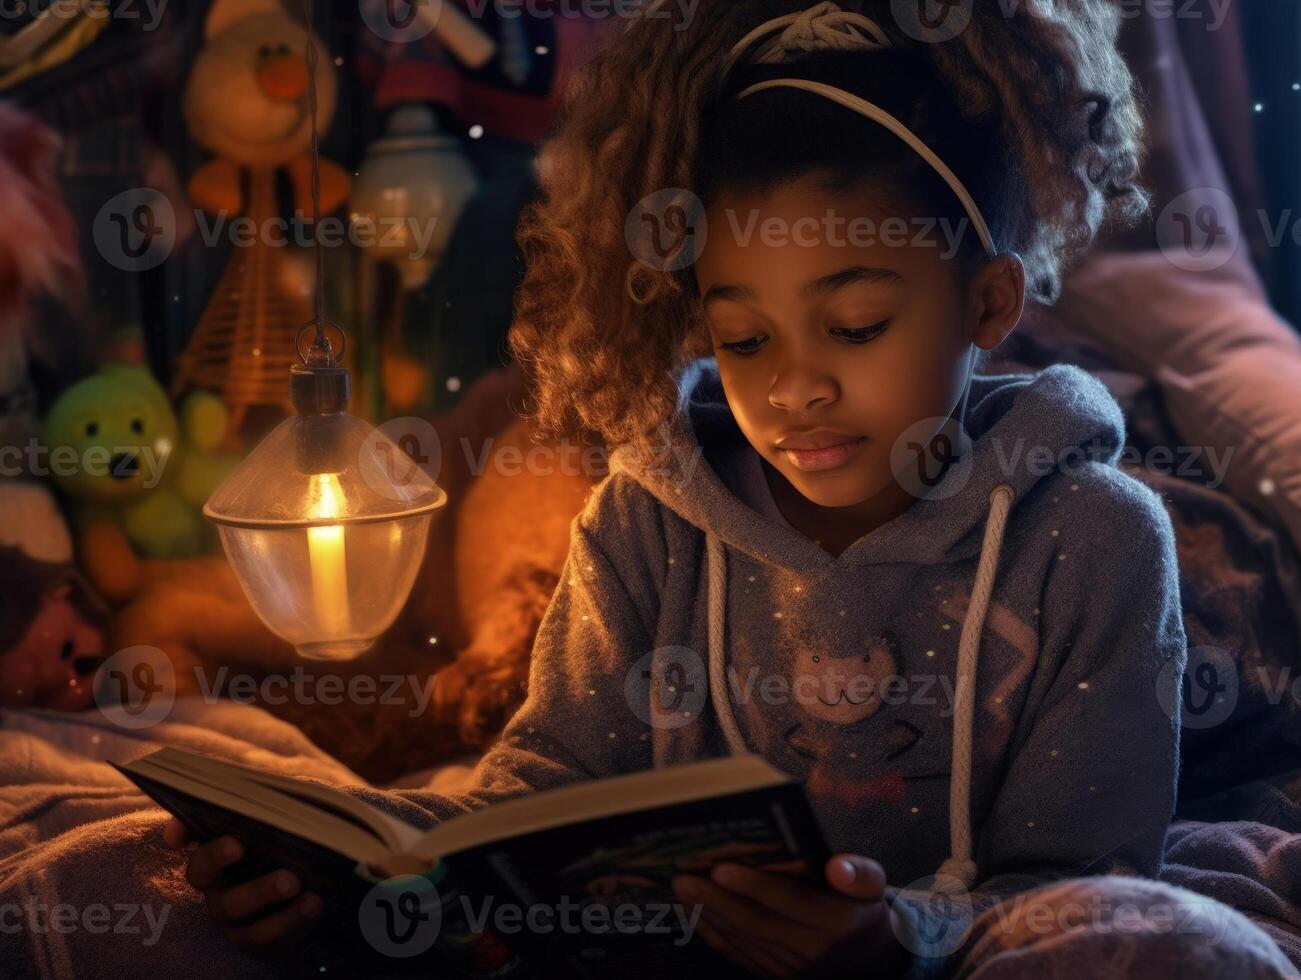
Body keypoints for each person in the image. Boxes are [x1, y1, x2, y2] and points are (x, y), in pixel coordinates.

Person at [168, 2, 1294, 976]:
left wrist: (895, 940)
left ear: (986, 305)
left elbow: (1081, 880)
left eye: (854, 324)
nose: (795, 385)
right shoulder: (645, 516)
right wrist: (343, 882)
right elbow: (542, 786)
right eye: (744, 337)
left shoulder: (1095, 538)